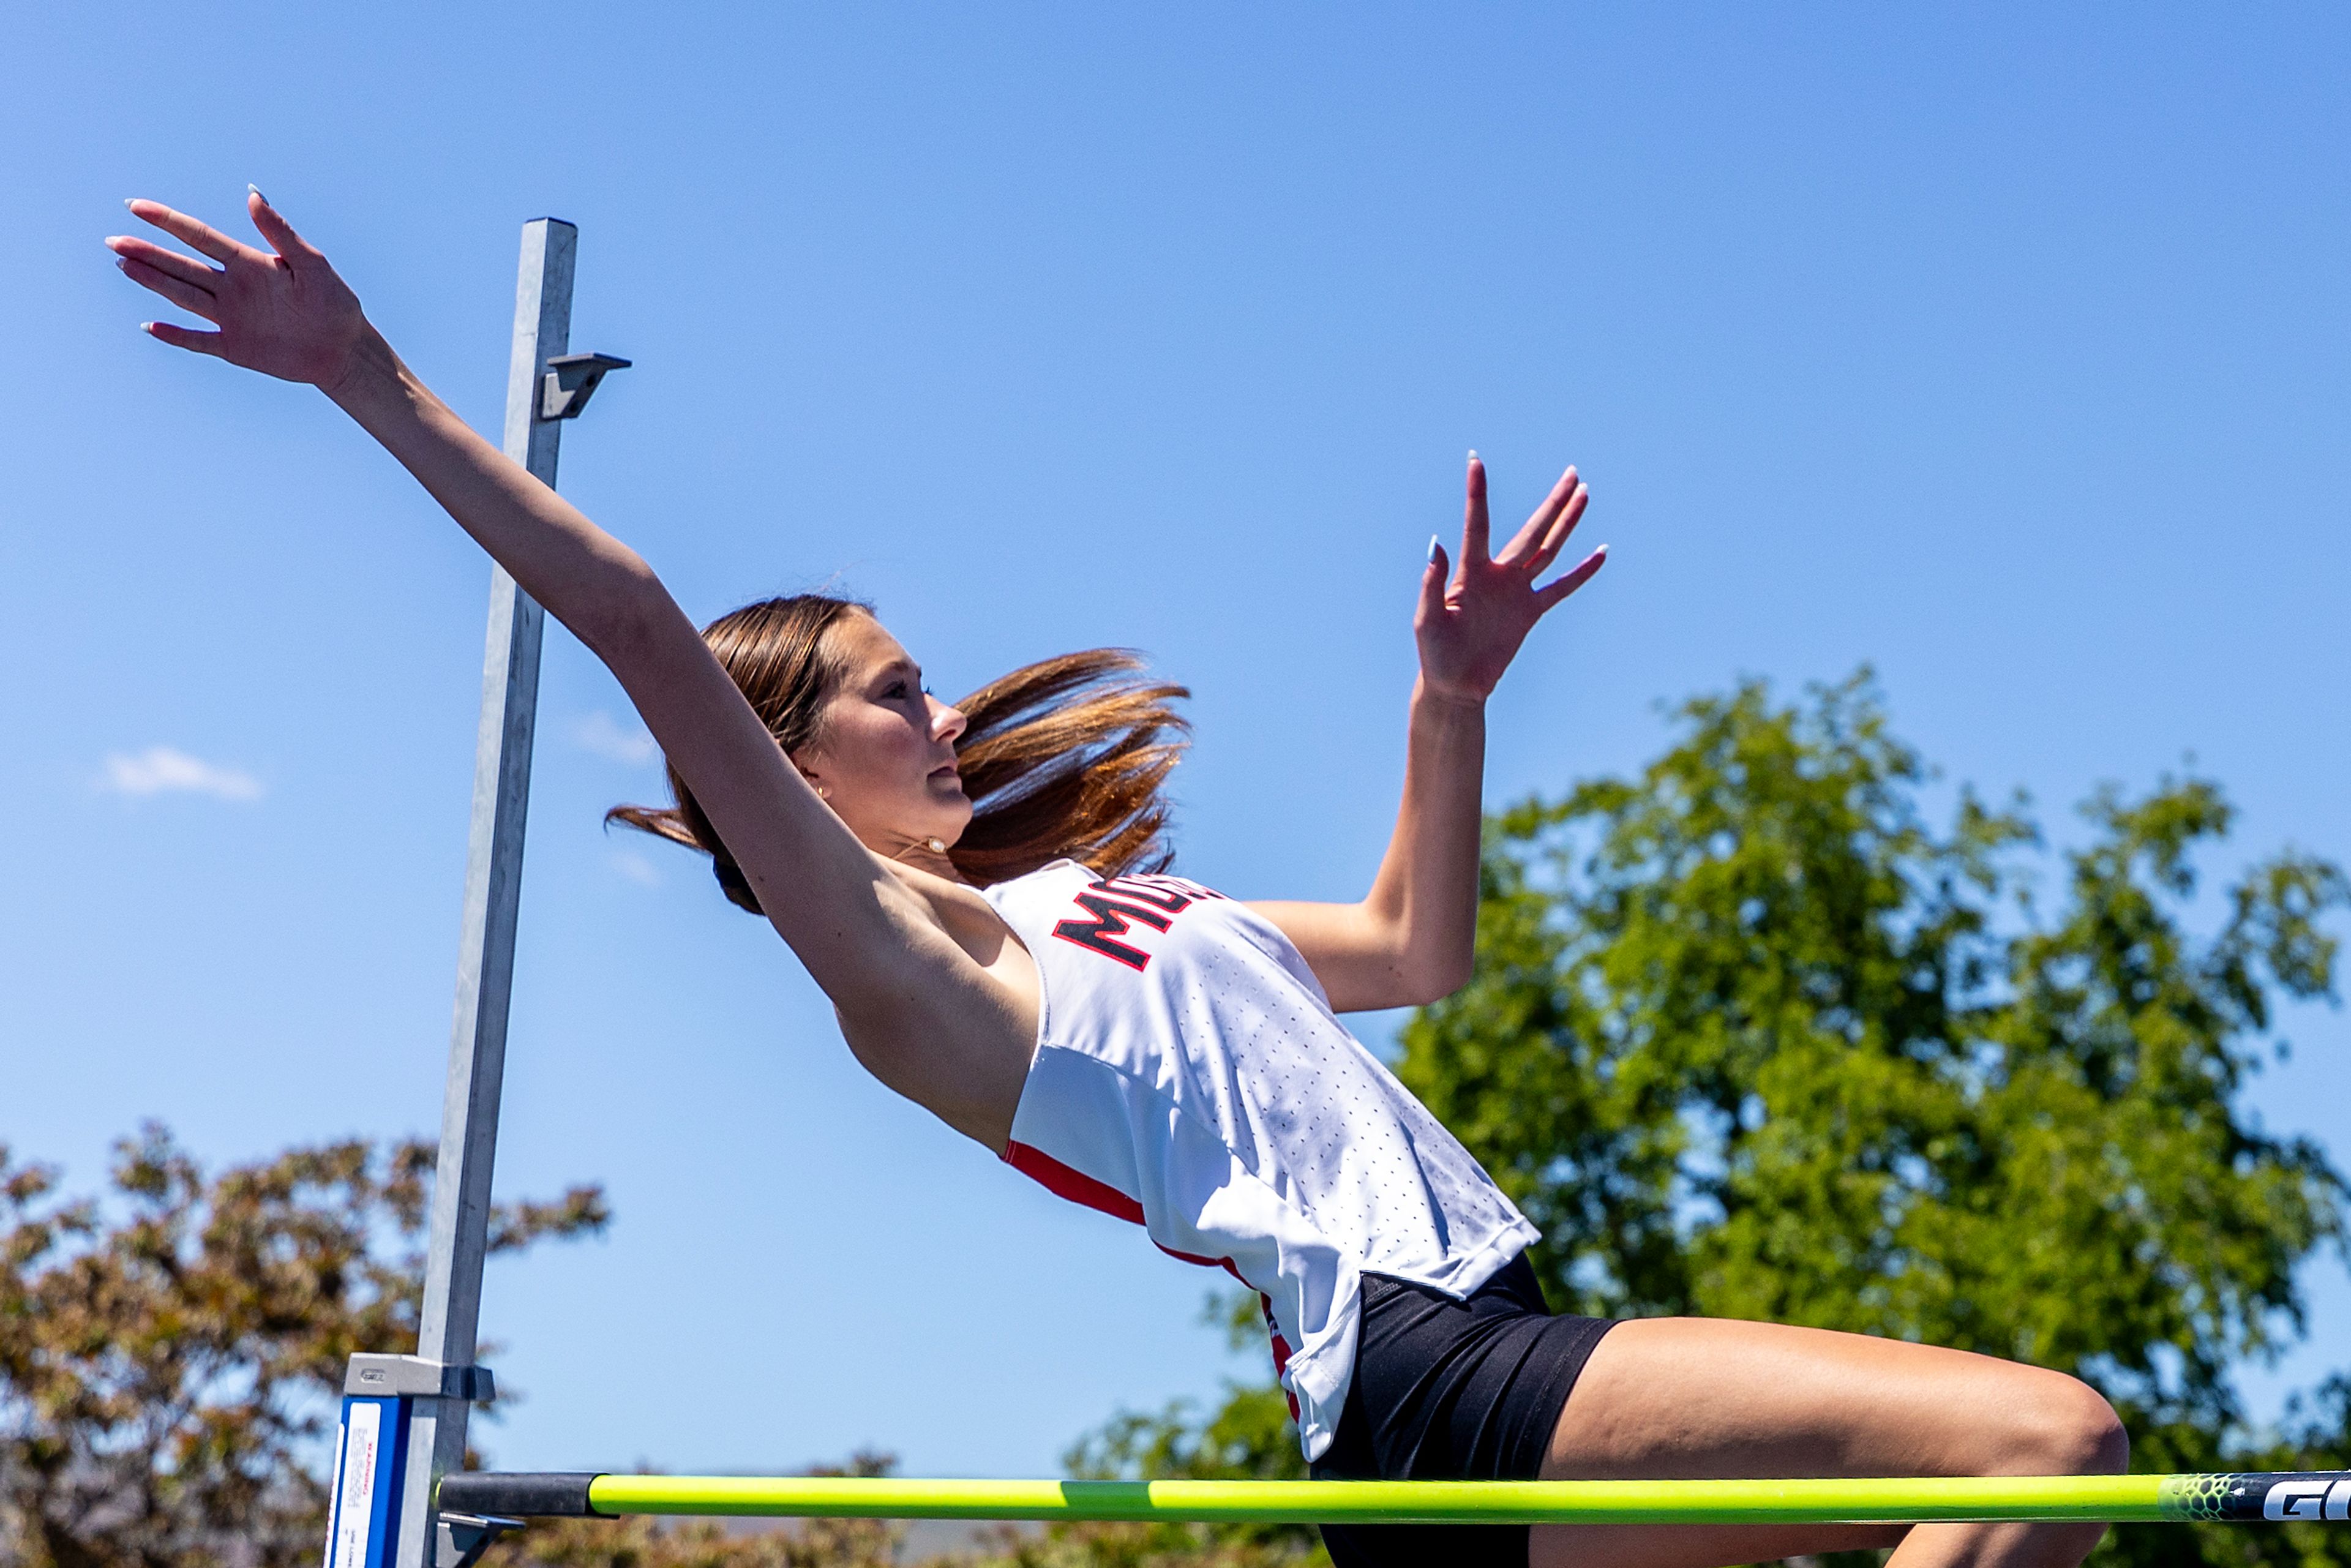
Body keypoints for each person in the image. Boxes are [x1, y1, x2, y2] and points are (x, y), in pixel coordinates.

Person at [108, 192, 2128, 1568]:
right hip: (1433, 1377)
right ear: (802, 773)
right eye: (897, 692)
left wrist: (1448, 696)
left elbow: (1422, 944)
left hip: (1490, 1345)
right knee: (2046, 1444)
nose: (947, 706)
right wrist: (371, 379)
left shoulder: (1112, 916)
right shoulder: (905, 968)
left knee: (1949, 1512)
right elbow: (636, 618)